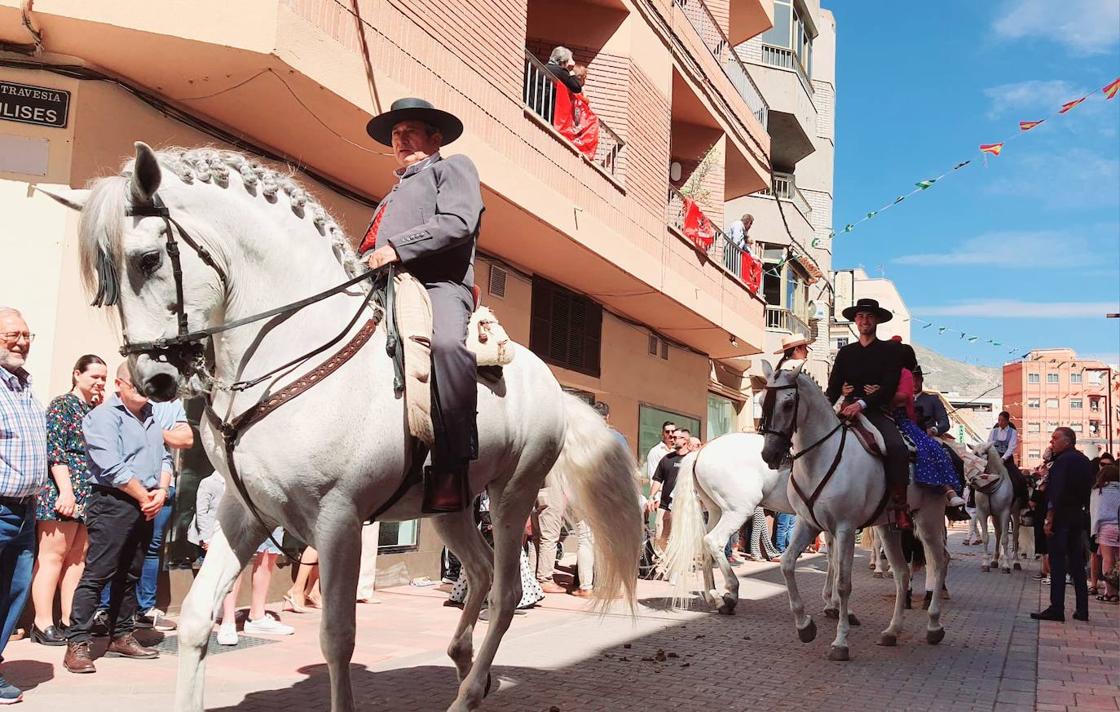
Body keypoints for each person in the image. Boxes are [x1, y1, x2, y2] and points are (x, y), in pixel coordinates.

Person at [362, 97, 484, 513]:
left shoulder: (453, 168)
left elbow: (458, 222)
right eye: (396, 135)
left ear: (435, 138)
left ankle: (453, 464)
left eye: (409, 131)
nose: (400, 140)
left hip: (439, 284)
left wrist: (398, 247)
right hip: (388, 283)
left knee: (448, 345)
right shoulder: (392, 193)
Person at [64, 362, 171, 673]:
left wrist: (161, 491)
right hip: (113, 501)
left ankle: (121, 635)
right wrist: (144, 496)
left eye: (146, 384)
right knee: (97, 574)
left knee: (131, 574)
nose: (142, 390)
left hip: (147, 501)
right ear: (119, 384)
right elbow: (110, 465)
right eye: (135, 384)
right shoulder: (102, 417)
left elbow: (164, 456)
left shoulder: (151, 416)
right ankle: (77, 643)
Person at [30, 354, 107, 646]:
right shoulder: (62, 405)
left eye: (103, 377)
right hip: (63, 488)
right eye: (94, 376)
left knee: (77, 559)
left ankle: (67, 620)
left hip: (87, 490)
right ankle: (42, 622)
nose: (99, 382)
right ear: (77, 374)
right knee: (52, 557)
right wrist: (66, 491)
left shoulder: (95, 410)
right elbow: (55, 450)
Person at [824, 298, 910, 529]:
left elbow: (890, 387)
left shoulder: (890, 350)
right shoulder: (845, 353)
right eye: (860, 316)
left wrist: (862, 403)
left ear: (877, 320)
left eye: (869, 316)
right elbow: (833, 389)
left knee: (896, 447)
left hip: (875, 411)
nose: (864, 320)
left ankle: (900, 506)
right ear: (855, 320)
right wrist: (824, 408)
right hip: (846, 409)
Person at [0, 308, 49, 703]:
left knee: (14, 592)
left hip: (25, 510)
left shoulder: (23, 387)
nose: (21, 342)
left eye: (27, 335)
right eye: (12, 334)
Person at [1031, 428, 1093, 623]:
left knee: (1057, 562)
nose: (1052, 442)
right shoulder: (1084, 461)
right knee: (1076, 563)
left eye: (1055, 438)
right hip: (1078, 515)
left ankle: (1057, 608)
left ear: (1067, 441)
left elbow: (1056, 493)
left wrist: (1049, 518)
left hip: (1061, 516)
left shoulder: (1061, 462)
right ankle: (1082, 609)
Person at [650, 429, 690, 551]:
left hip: (684, 507)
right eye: (671, 437)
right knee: (660, 536)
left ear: (685, 440)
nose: (672, 439)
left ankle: (677, 566)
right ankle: (661, 563)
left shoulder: (692, 460)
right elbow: (657, 480)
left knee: (680, 539)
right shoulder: (666, 459)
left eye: (675, 437)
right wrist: (651, 497)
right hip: (664, 506)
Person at [1090, 463, 1119, 604]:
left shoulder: (1098, 490)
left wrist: (1094, 531)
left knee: (1108, 560)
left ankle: (1110, 592)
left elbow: (1095, 512)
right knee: (1119, 561)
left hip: (1106, 527)